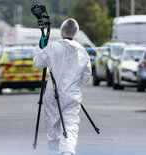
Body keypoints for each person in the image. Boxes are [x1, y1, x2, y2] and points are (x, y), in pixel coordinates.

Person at [33, 18, 92, 155]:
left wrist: (40, 48)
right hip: (72, 94)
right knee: (70, 124)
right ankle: (67, 151)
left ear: (61, 32)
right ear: (75, 33)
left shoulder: (52, 48)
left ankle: (54, 152)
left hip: (53, 93)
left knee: (53, 126)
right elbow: (86, 76)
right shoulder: (82, 52)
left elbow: (37, 64)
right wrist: (75, 83)